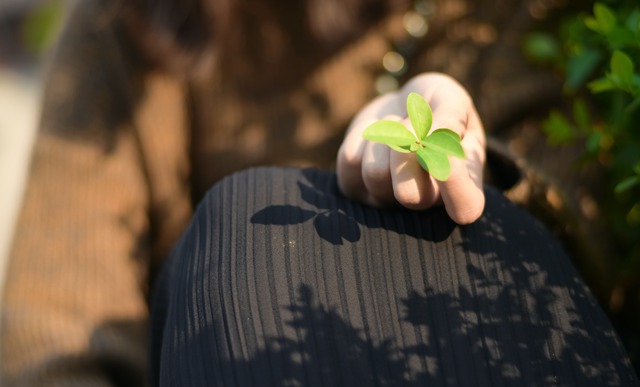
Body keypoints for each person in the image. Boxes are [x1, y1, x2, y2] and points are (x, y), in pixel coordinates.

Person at [1, 0, 638, 386]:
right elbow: (57, 335)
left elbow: (590, 246)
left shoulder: (507, 21)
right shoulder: (134, 23)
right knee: (249, 225)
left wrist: (472, 165)